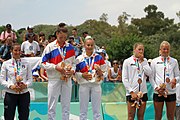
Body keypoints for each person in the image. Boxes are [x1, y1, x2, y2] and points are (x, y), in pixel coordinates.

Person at [40, 28, 76, 120]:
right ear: (57, 34)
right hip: (54, 78)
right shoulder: (50, 47)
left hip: (67, 78)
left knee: (66, 104)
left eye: (64, 37)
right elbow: (42, 63)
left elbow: (74, 63)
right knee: (52, 104)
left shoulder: (70, 48)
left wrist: (72, 70)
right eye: (61, 37)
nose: (63, 39)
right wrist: (55, 67)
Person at [75, 37, 107, 120]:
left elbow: (105, 71)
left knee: (97, 110)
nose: (89, 47)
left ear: (94, 46)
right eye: (88, 45)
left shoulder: (99, 58)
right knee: (83, 109)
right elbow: (74, 73)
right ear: (84, 46)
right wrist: (82, 75)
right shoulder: (79, 59)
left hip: (96, 85)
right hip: (84, 85)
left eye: (91, 45)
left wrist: (101, 73)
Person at [0, 43, 33, 120]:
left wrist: (25, 85)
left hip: (24, 94)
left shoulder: (27, 63)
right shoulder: (6, 64)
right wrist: (11, 86)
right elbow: (2, 79)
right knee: (8, 117)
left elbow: (30, 79)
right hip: (11, 94)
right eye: (15, 50)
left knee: (24, 117)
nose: (17, 52)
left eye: (19, 50)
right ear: (11, 51)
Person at [149, 41, 180, 120]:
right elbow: (151, 77)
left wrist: (175, 80)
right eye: (164, 49)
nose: (166, 51)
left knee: (170, 116)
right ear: (160, 50)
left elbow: (178, 75)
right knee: (158, 116)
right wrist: (156, 88)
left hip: (171, 92)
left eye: (167, 49)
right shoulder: (154, 61)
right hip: (158, 92)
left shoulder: (174, 61)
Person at [122, 43, 152, 120]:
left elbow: (149, 73)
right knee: (131, 117)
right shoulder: (127, 61)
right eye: (139, 49)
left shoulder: (144, 61)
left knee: (141, 117)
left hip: (143, 93)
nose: (141, 51)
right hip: (132, 93)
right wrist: (131, 92)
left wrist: (143, 62)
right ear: (134, 50)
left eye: (142, 50)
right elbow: (124, 78)